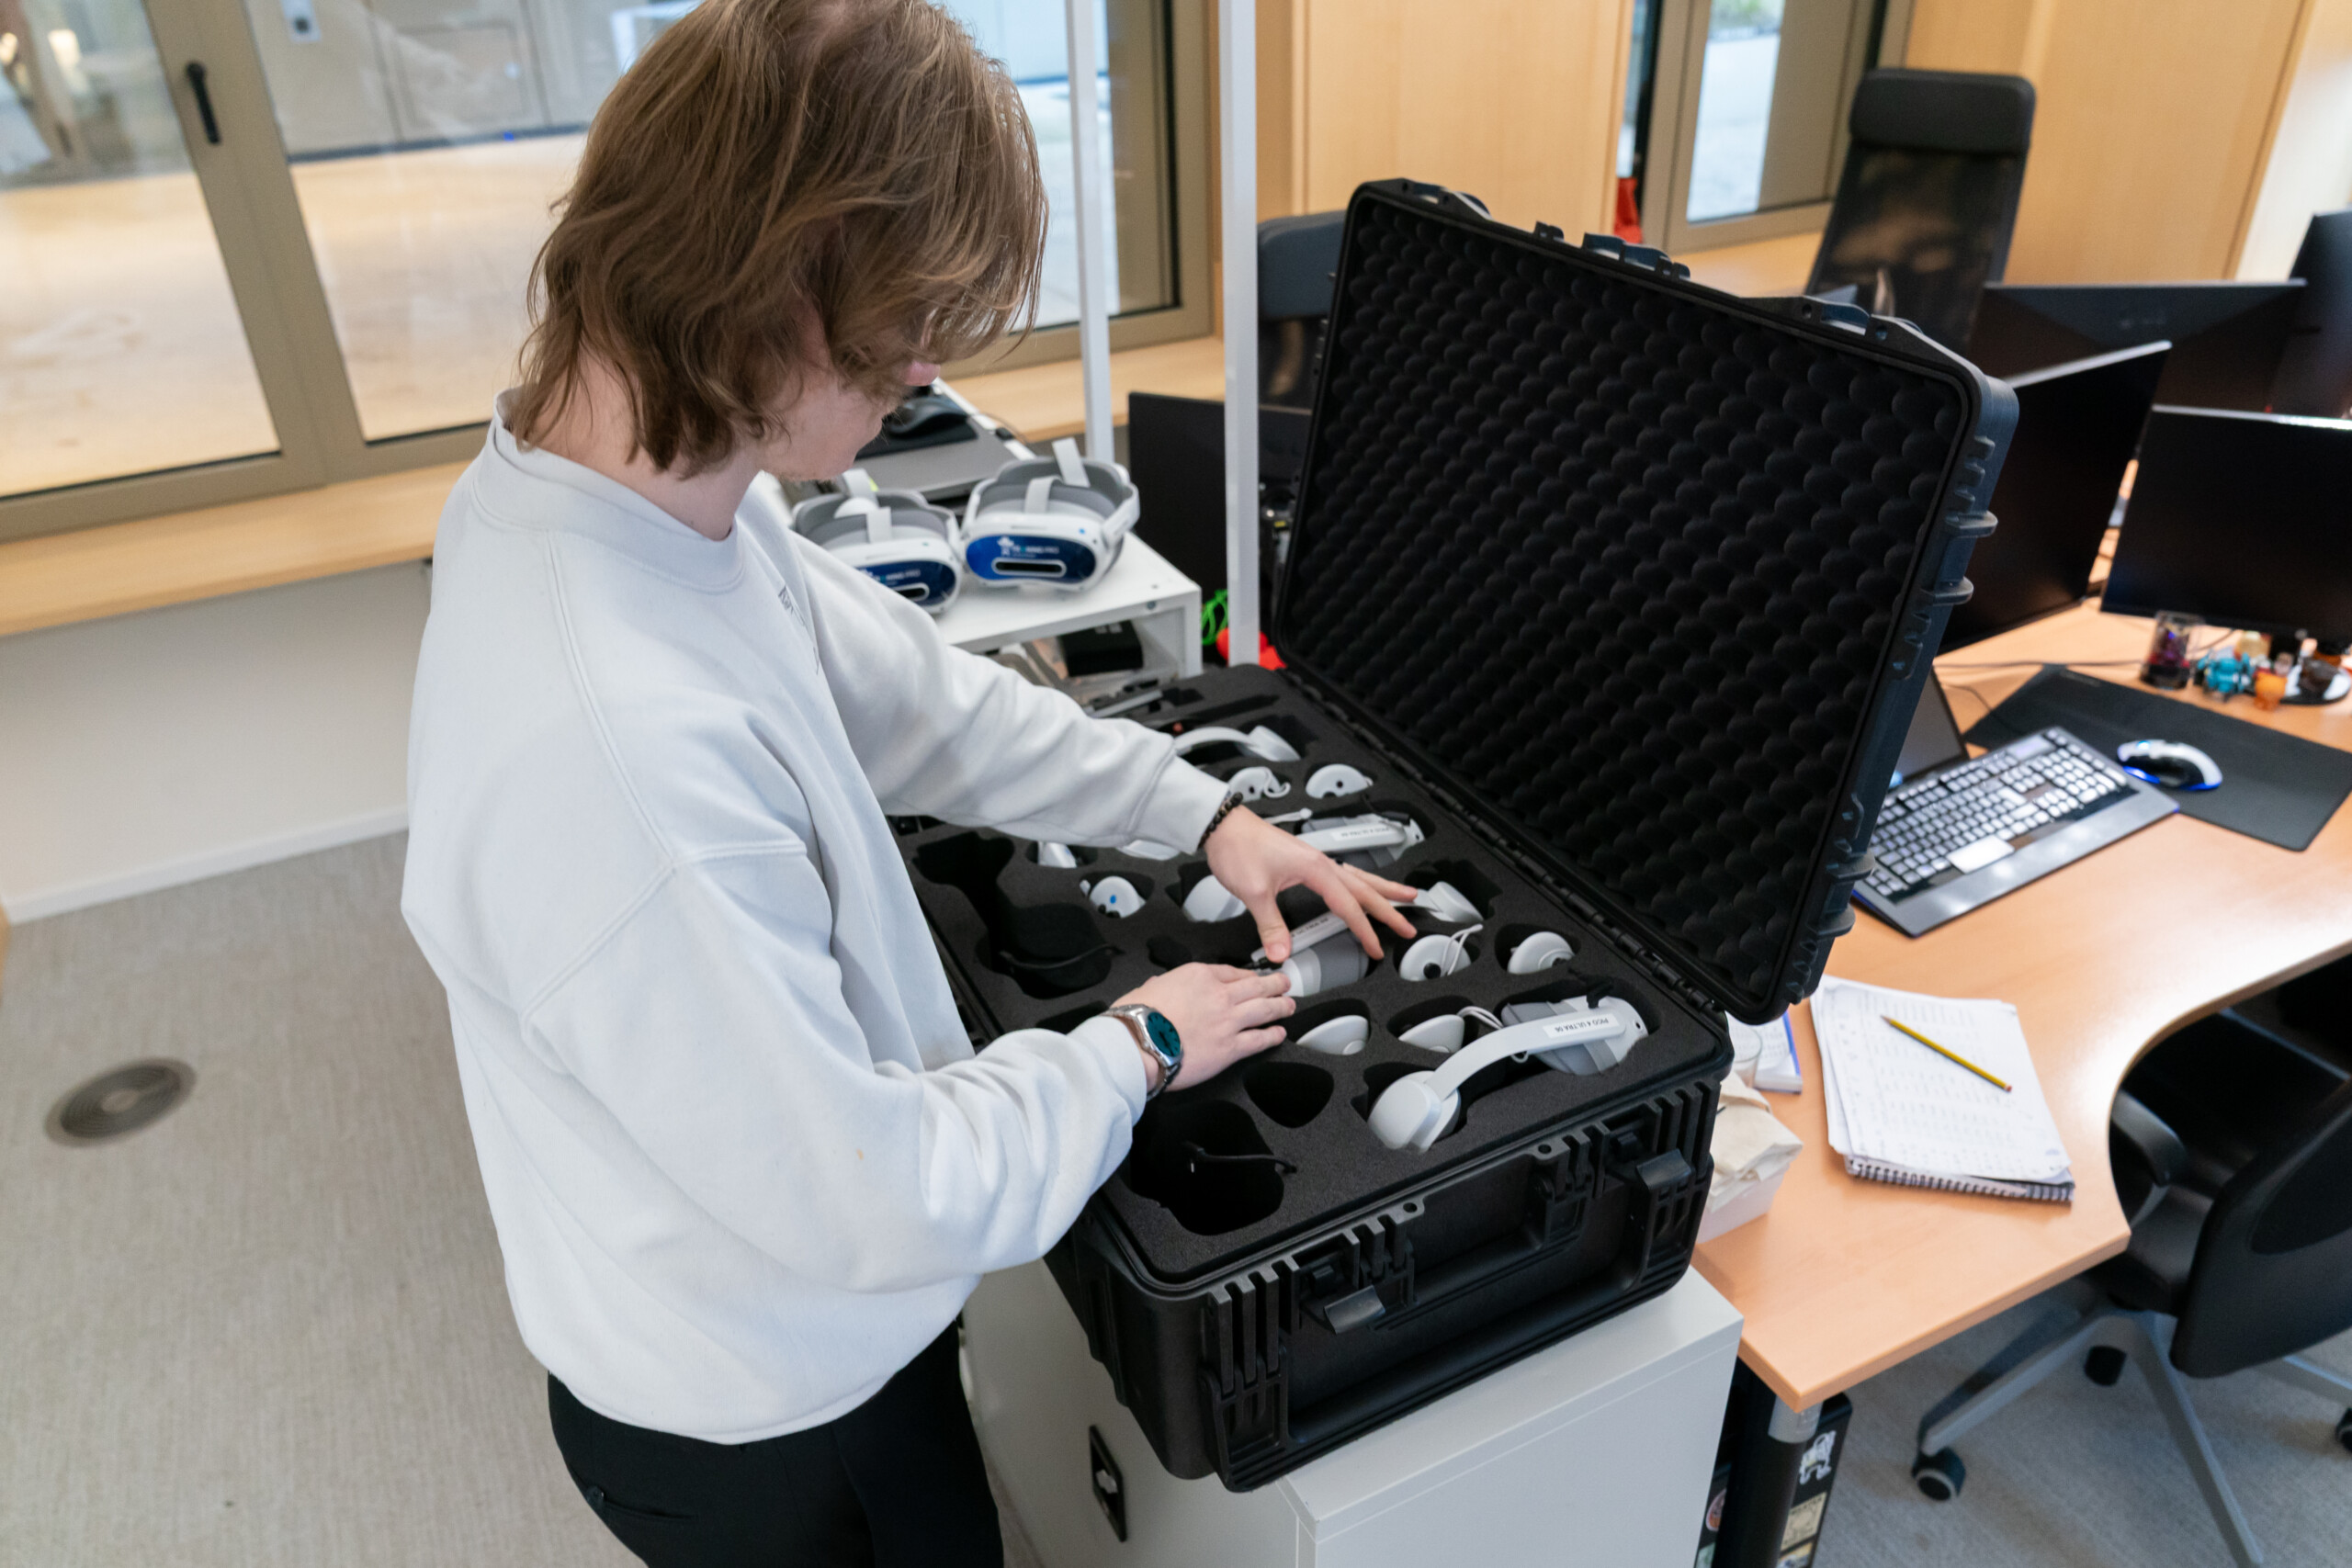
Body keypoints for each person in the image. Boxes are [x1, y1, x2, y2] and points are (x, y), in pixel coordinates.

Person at [397, 3, 1415, 1562]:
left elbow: (928, 704)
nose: (927, 368)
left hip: (783, 1317)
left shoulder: (650, 501)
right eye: (904, 323)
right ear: (771, 283)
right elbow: (879, 1198)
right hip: (762, 1414)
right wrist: (1140, 1042)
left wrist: (1200, 811)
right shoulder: (612, 747)